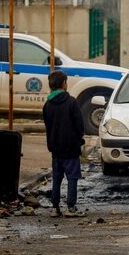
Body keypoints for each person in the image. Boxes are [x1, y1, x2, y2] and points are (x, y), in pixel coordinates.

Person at [43, 70, 87, 218]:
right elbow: (79, 125)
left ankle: (55, 208)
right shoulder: (72, 102)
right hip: (71, 148)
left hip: (55, 148)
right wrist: (79, 139)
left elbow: (48, 126)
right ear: (64, 83)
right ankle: (71, 207)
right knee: (72, 178)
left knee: (57, 178)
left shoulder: (48, 104)